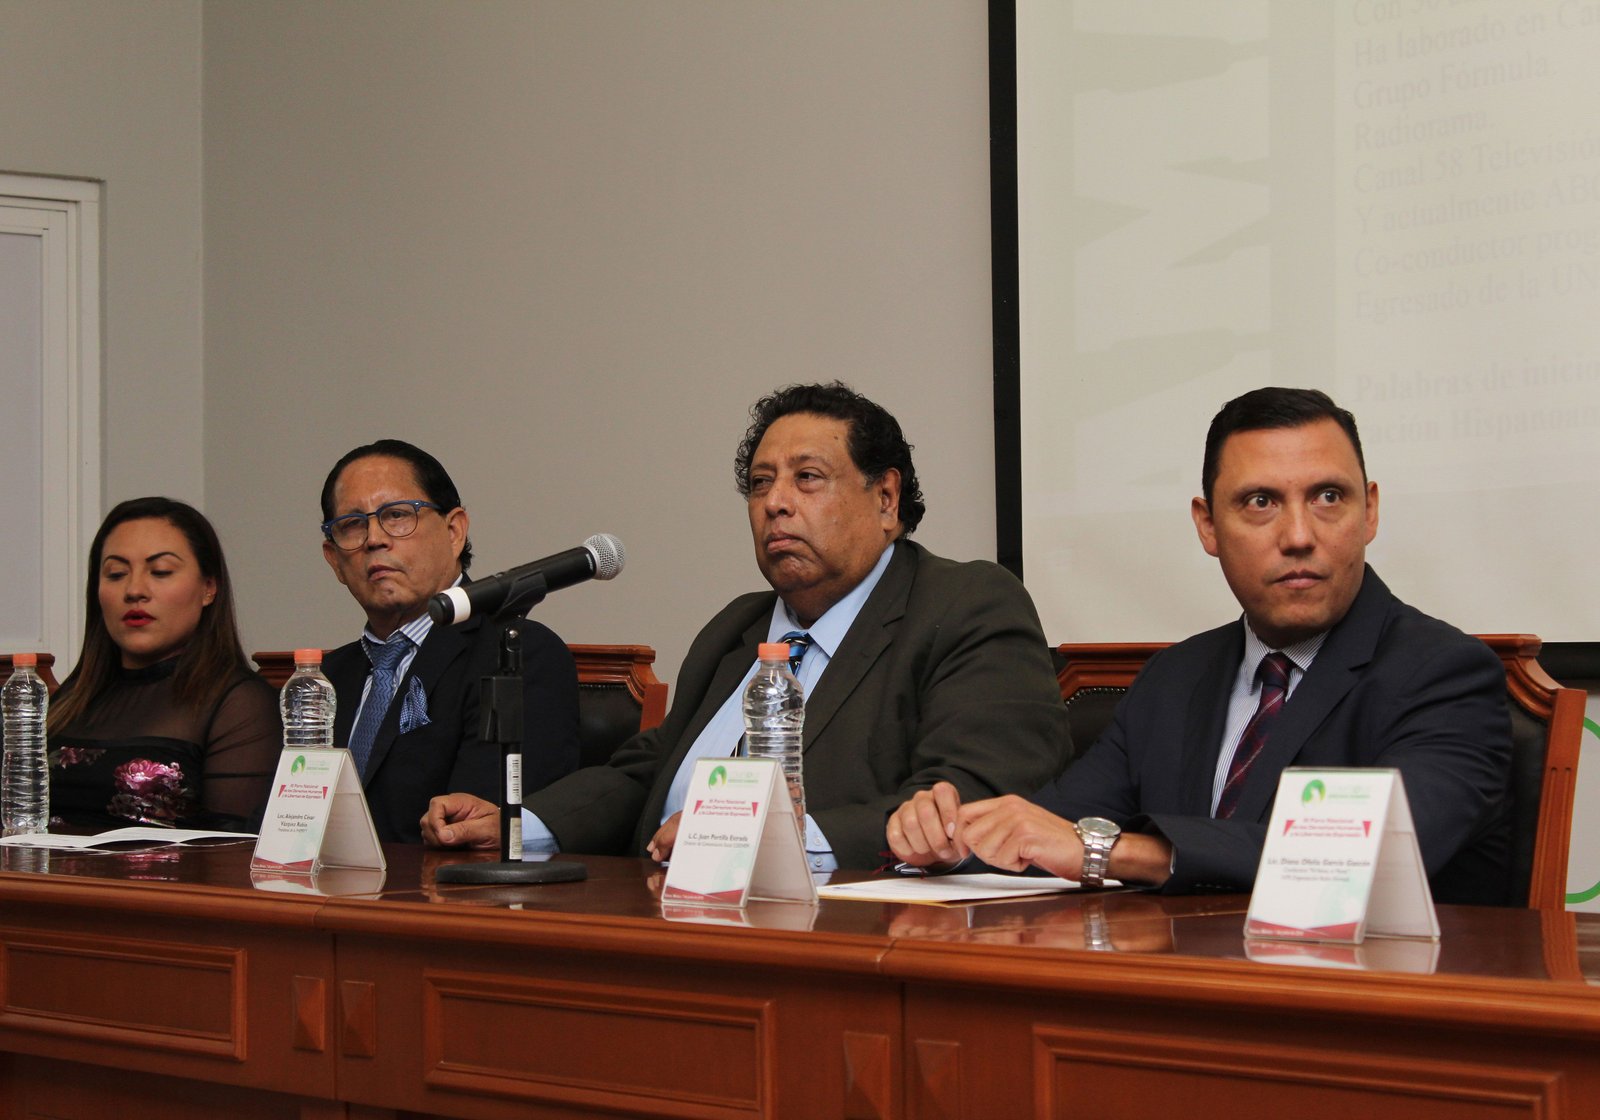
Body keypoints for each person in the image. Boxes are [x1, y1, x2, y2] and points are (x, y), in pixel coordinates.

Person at [889, 387, 1512, 905]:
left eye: (1328, 497)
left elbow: (1373, 857)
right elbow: (1053, 832)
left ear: (1369, 511)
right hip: (1181, 990)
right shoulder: (1174, 679)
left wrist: (1119, 853)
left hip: (1364, 1002)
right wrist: (952, 841)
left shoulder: (1444, 673)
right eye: (1261, 502)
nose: (1299, 535)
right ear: (1208, 525)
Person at [422, 382, 1069, 871]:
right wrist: (519, 824)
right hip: (671, 912)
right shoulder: (738, 626)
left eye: (807, 478)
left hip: (844, 938)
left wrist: (765, 839)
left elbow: (971, 798)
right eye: (761, 484)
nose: (775, 503)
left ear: (886, 499)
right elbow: (649, 771)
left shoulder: (964, 605)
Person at [319, 439, 580, 844]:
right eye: (352, 524)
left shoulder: (515, 655)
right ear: (334, 559)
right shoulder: (323, 680)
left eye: (397, 515)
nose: (374, 539)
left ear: (455, 531)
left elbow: (475, 833)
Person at [48, 497, 279, 831]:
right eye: (116, 574)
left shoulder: (240, 704)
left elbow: (232, 850)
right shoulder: (70, 698)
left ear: (208, 588)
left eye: (161, 572)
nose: (134, 590)